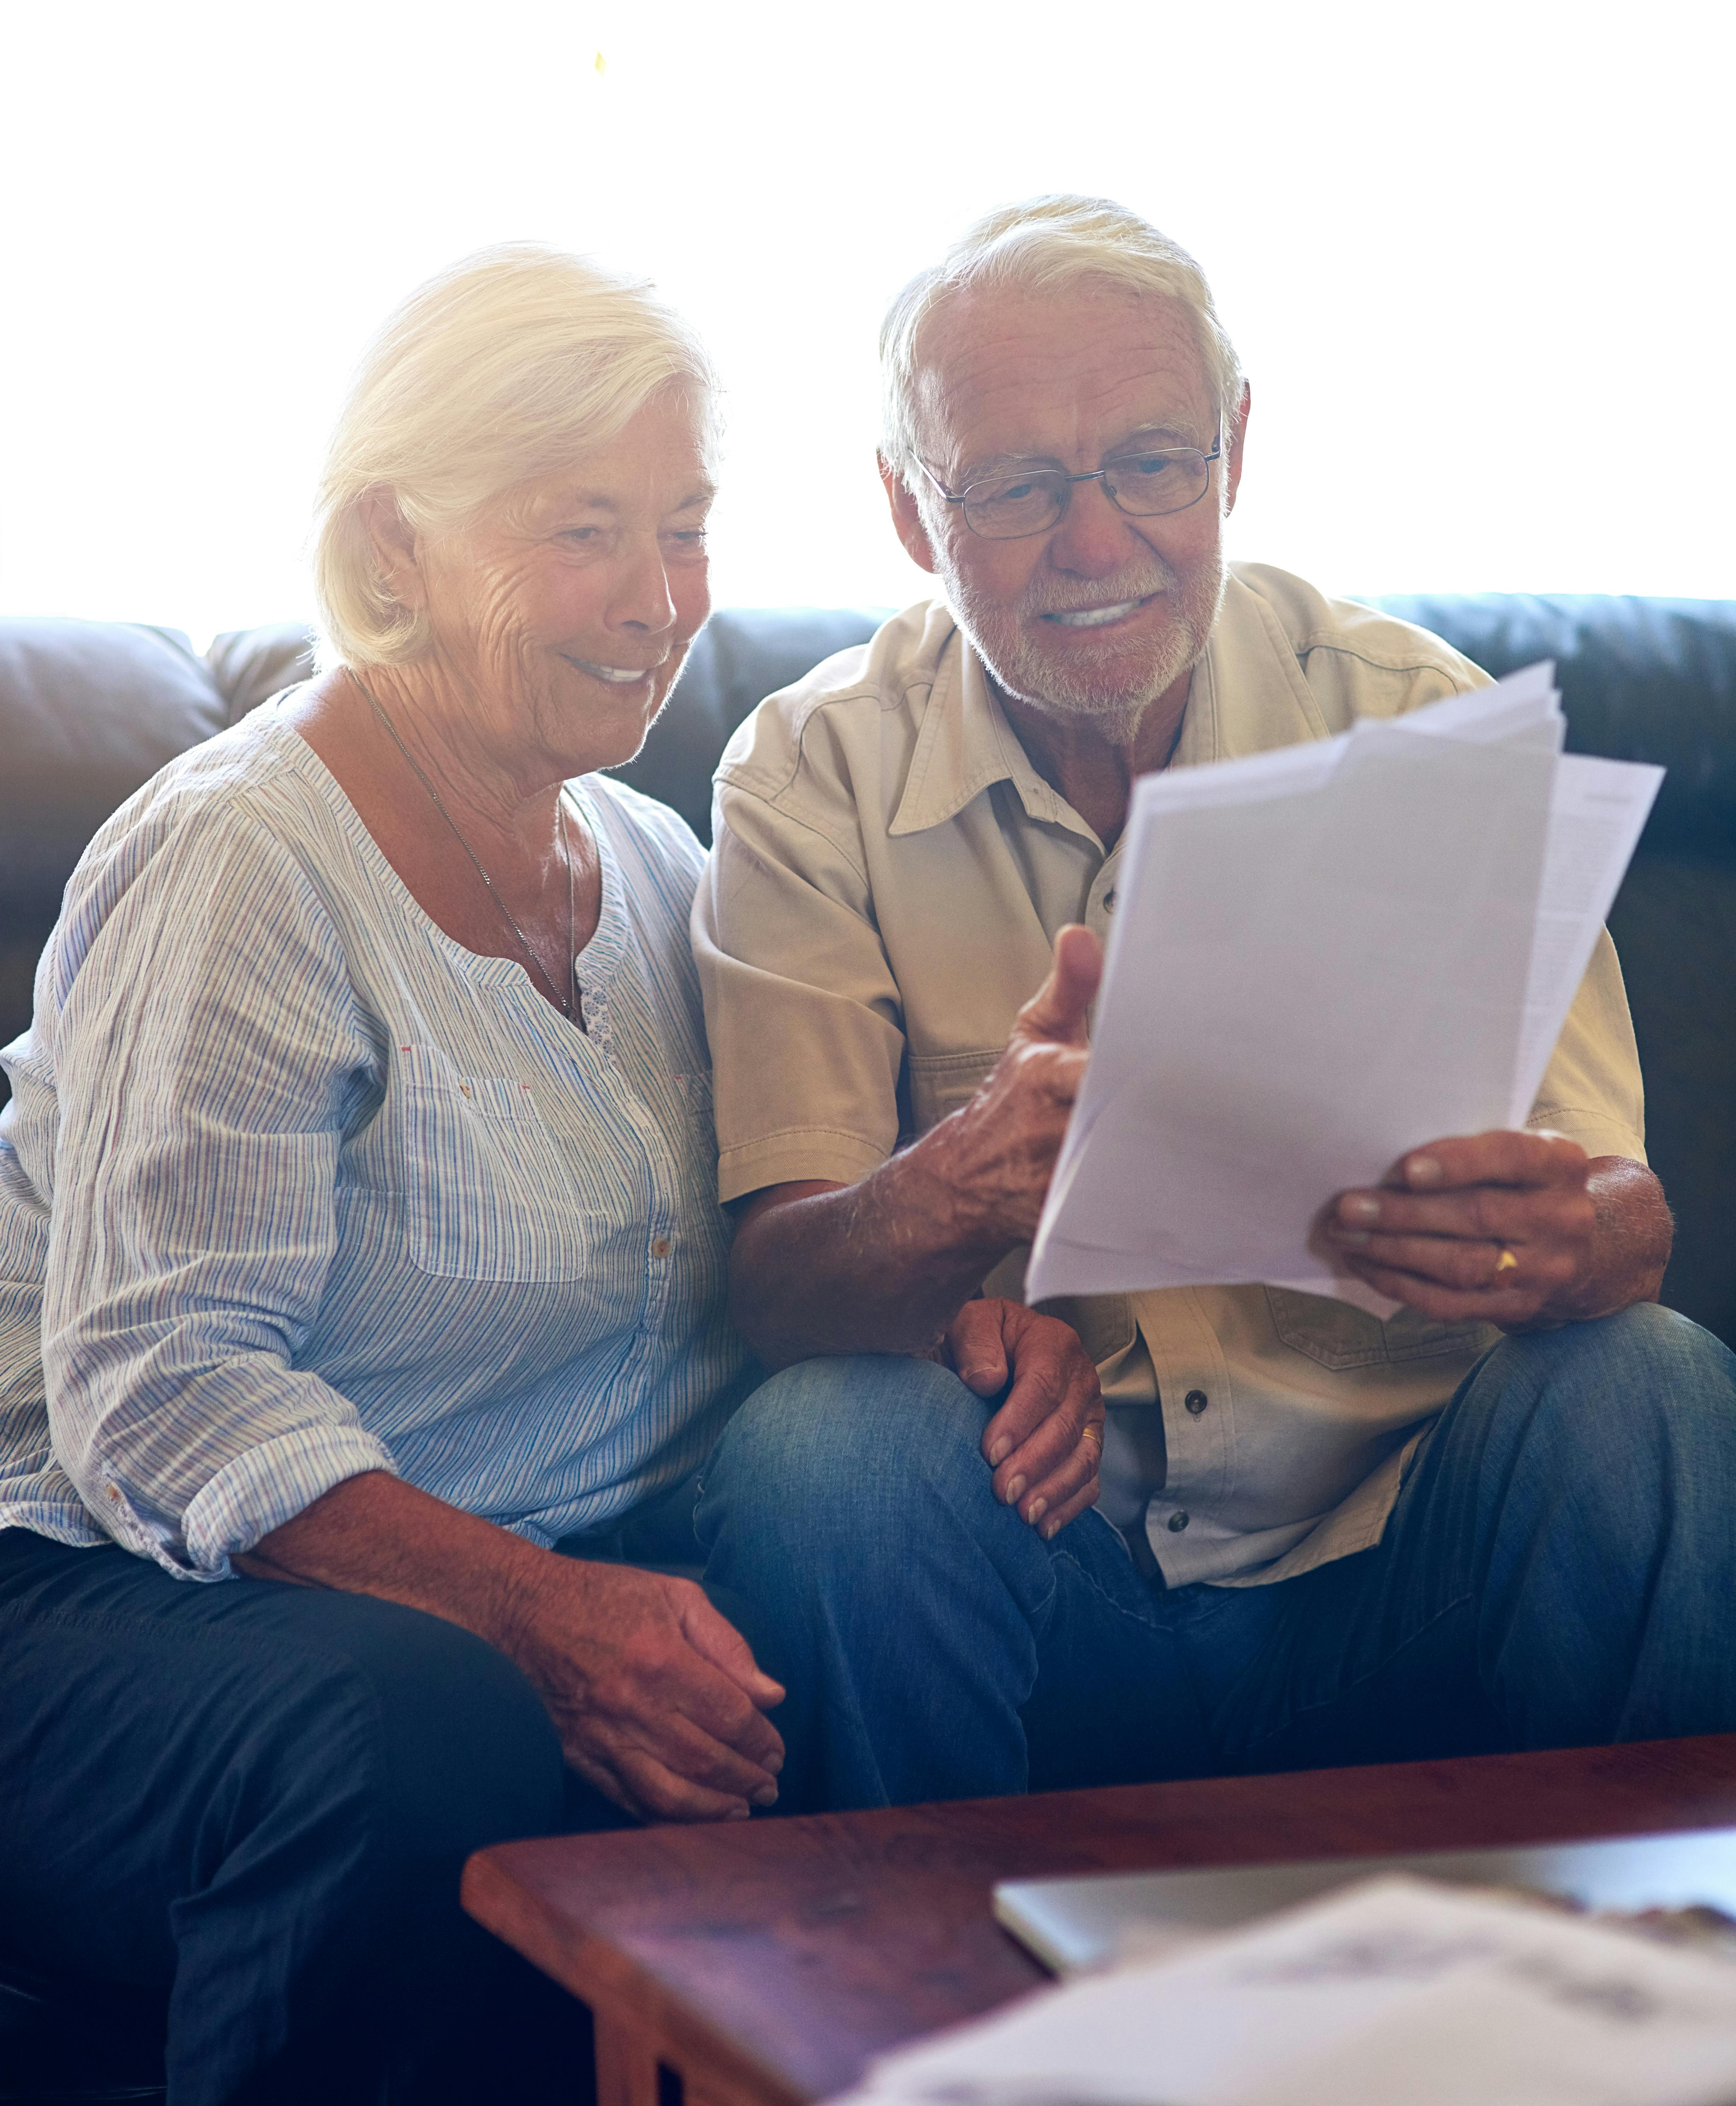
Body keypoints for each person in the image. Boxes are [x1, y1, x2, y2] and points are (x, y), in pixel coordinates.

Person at [691, 193, 1736, 1812]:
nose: (1097, 543)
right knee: (826, 1450)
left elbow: (1625, 1217)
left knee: (1645, 1379)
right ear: (908, 509)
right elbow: (778, 1286)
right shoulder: (806, 771)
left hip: (1412, 1561)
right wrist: (961, 1190)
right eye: (1018, 485)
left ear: (1235, 452)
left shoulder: (1415, 722)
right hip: (1055, 1576)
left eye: (1153, 463)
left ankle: (1639, 2015)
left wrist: (1543, 1238)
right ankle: (914, 2046)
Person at [0, 248, 789, 2105]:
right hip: (90, 1573)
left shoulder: (663, 867)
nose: (663, 601)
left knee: (863, 1560)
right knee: (428, 1721)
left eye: (685, 529)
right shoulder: (248, 859)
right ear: (394, 547)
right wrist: (540, 1610)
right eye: (586, 531)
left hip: (489, 1563)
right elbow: (165, 1393)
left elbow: (762, 1265)